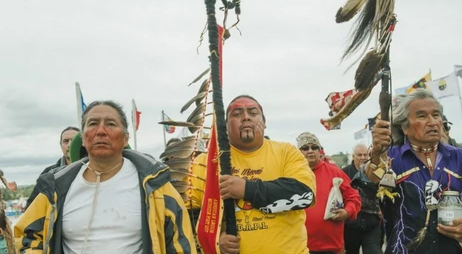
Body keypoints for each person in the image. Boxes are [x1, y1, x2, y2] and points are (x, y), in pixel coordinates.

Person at [15, 100, 196, 254]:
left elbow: (180, 243)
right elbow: (27, 235)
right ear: (84, 138)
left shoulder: (155, 185)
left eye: (110, 124)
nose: (101, 131)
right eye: (93, 123)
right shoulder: (56, 187)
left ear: (125, 138)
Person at [188, 95, 316, 254]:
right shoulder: (206, 163)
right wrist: (214, 239)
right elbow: (189, 215)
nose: (246, 117)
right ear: (225, 126)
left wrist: (247, 189)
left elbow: (305, 195)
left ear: (264, 122)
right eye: (237, 114)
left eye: (253, 113)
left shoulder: (287, 152)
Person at [362, 89, 462, 254]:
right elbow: (365, 190)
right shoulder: (390, 159)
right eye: (422, 116)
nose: (432, 122)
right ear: (404, 127)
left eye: (436, 115)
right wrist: (376, 154)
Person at [296, 132, 361, 254]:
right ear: (299, 151)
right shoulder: (292, 174)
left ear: (319, 151)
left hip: (331, 246)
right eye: (305, 148)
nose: (310, 151)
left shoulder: (334, 172)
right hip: (301, 246)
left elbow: (353, 196)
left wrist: (347, 212)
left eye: (314, 147)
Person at [25, 126, 80, 209]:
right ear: (60, 145)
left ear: (83, 143)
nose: (69, 144)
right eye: (65, 141)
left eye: (73, 140)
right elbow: (32, 207)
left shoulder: (95, 169)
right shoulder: (48, 174)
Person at [342, 144, 382, 254]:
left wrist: (382, 208)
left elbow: (384, 191)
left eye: (366, 155)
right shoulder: (344, 173)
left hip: (372, 224)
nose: (363, 157)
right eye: (359, 155)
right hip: (351, 225)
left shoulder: (378, 172)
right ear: (353, 156)